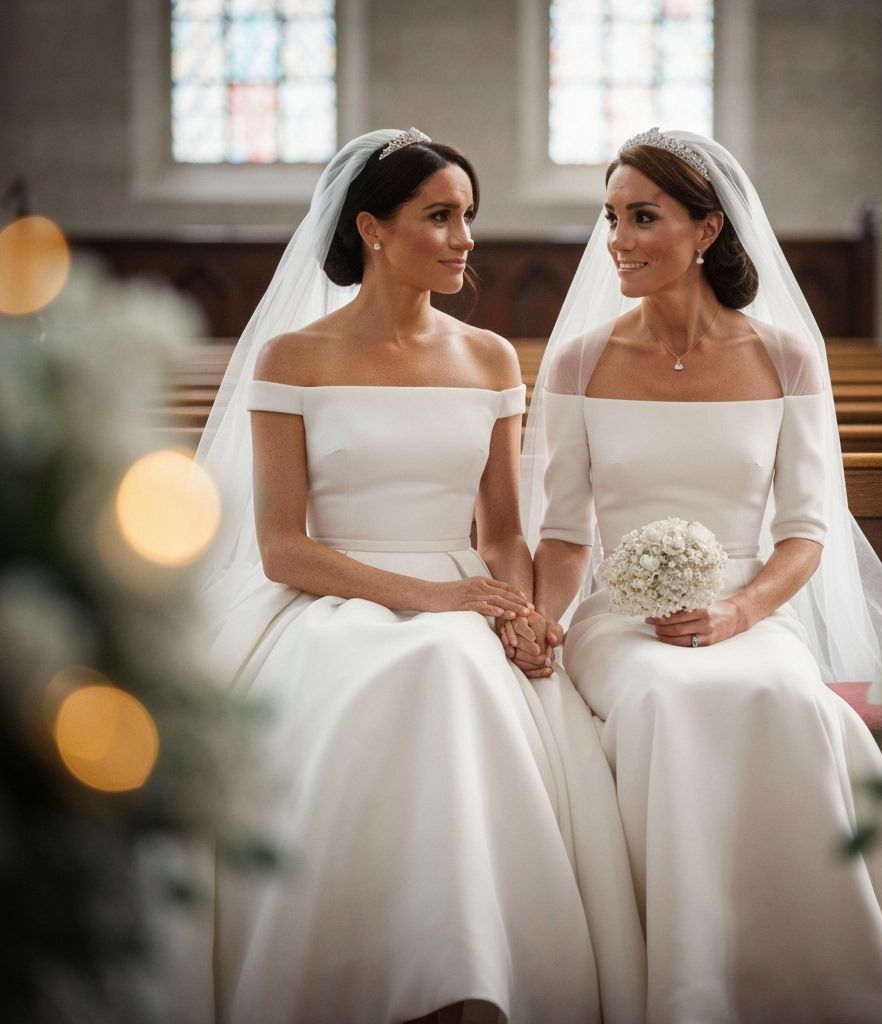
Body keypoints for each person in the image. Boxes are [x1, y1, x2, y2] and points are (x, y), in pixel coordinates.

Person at [513, 129, 882, 1023]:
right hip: (619, 620)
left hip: (750, 611)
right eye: (611, 216)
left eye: (642, 217)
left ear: (706, 230)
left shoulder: (784, 355)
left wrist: (737, 611)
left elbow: (808, 531)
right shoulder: (579, 361)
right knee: (662, 696)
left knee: (785, 697)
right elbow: (564, 533)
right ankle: (688, 982)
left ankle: (810, 973)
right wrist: (544, 620)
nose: (616, 238)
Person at [193, 129, 644, 1024]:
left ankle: (475, 976)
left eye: (467, 217)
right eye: (439, 217)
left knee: (456, 667)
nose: (464, 240)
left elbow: (507, 530)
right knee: (409, 671)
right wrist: (440, 597)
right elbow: (283, 546)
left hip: (467, 590)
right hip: (326, 597)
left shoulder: (487, 358)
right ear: (372, 227)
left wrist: (517, 612)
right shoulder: (295, 359)